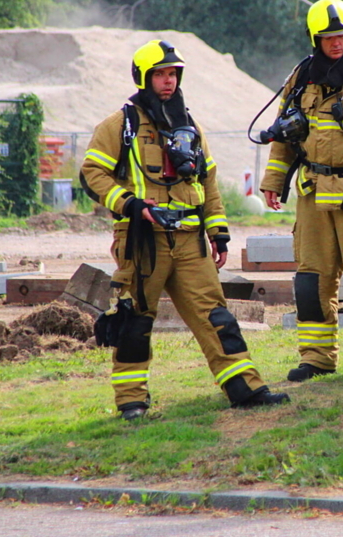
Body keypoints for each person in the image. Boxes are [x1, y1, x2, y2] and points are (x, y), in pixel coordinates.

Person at [81, 39, 289, 420]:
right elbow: (91, 173)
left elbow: (207, 183)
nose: (168, 82)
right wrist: (130, 204)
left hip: (191, 242)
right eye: (160, 74)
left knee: (216, 316)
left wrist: (219, 232)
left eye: (173, 74)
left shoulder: (189, 126)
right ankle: (131, 402)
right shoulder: (121, 125)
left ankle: (245, 388)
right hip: (143, 243)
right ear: (144, 78)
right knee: (135, 320)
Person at [259, 0, 343, 382]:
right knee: (311, 279)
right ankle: (316, 357)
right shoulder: (300, 78)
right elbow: (284, 135)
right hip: (313, 193)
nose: (337, 43)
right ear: (314, 38)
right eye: (329, 37)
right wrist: (273, 182)